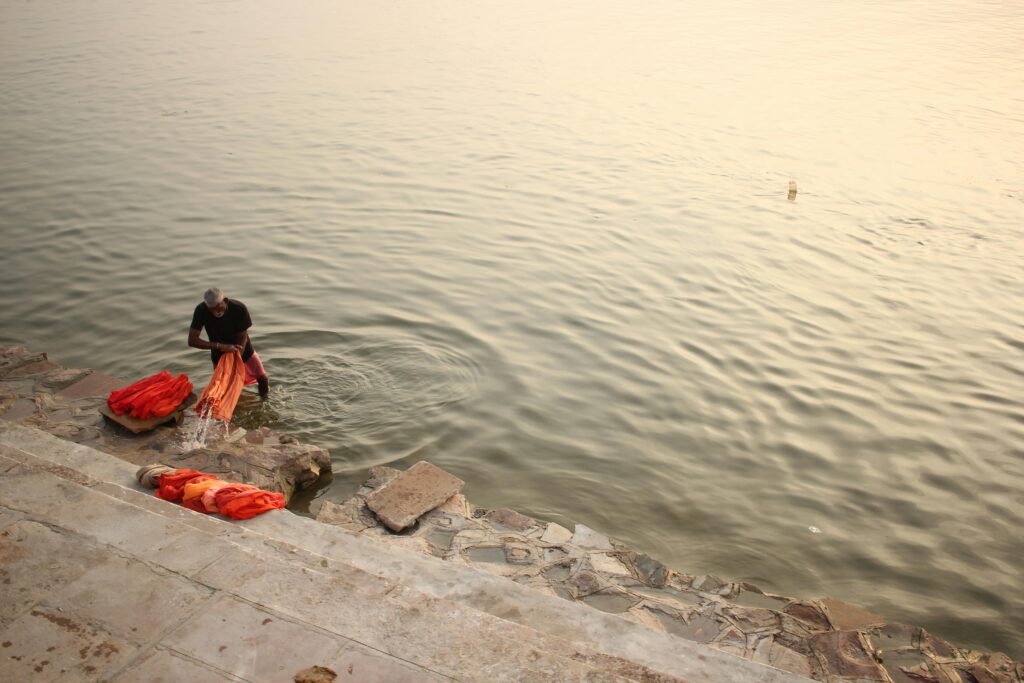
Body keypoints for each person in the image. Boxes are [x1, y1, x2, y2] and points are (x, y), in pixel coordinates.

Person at [188, 288, 270, 397]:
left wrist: (237, 357)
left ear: (225, 301)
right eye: (211, 309)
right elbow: (192, 340)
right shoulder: (201, 311)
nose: (215, 312)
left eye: (218, 308)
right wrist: (220, 346)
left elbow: (243, 336)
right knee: (224, 387)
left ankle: (263, 400)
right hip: (219, 356)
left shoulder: (239, 309)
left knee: (263, 379)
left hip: (243, 350)